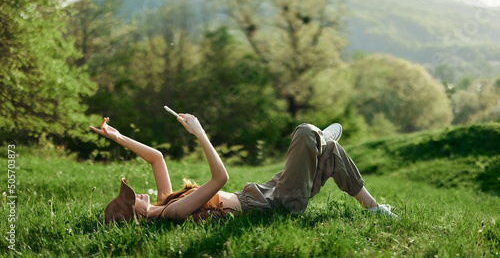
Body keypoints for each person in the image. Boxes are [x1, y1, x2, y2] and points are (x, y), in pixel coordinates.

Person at [89, 114, 396, 223]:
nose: (139, 194)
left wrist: (118, 137)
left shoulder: (166, 200)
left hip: (267, 191)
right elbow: (221, 178)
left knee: (328, 150)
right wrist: (201, 134)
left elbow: (156, 157)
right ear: (137, 214)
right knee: (304, 131)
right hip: (275, 204)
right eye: (134, 199)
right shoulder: (173, 212)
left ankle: (371, 206)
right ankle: (314, 144)